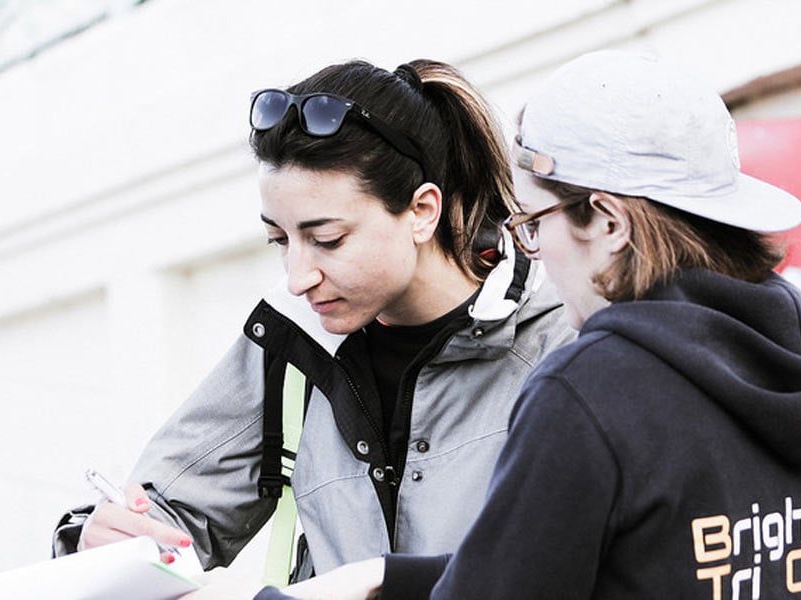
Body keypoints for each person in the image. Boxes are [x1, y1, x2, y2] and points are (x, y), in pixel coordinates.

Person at [239, 50, 801, 599]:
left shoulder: (593, 387)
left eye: (535, 224)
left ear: (609, 222)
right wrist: (384, 576)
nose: (531, 250)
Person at [51, 58, 575, 583]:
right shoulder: (291, 339)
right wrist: (100, 539)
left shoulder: (562, 344)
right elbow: (170, 515)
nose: (298, 276)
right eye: (280, 240)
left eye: (327, 240)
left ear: (421, 211)